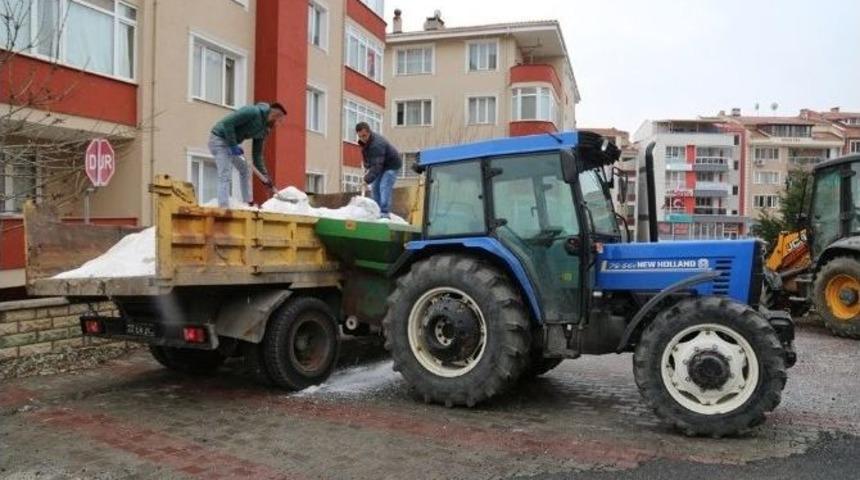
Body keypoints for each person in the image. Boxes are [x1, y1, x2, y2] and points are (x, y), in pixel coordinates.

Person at [209, 102, 286, 208]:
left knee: (244, 170)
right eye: (279, 121)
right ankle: (223, 207)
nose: (278, 125)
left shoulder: (264, 129)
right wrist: (233, 145)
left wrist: (265, 177)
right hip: (219, 140)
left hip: (232, 144)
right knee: (225, 174)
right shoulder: (252, 112)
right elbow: (227, 123)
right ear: (275, 115)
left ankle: (248, 202)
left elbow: (257, 155)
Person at [356, 122, 402, 218]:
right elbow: (369, 158)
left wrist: (367, 179)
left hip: (391, 165)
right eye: (360, 136)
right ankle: (376, 211)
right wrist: (367, 167)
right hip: (381, 164)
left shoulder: (377, 144)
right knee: (375, 187)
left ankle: (384, 213)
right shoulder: (365, 143)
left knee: (384, 186)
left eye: (364, 136)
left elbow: (377, 166)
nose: (362, 139)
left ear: (369, 132)